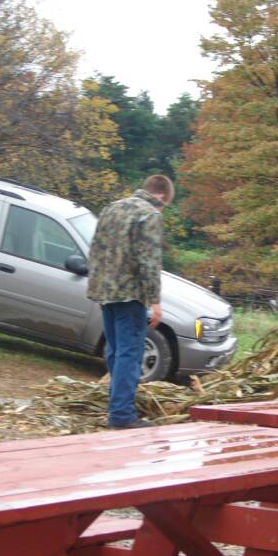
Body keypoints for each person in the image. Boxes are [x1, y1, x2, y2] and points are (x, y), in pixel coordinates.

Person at [87, 175, 174, 428]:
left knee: (115, 351)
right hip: (130, 294)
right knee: (130, 353)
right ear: (160, 196)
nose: (161, 209)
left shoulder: (111, 208)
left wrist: (98, 285)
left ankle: (117, 406)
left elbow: (95, 249)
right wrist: (155, 301)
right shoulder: (149, 215)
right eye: (164, 205)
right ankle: (122, 415)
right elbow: (149, 261)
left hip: (105, 292)